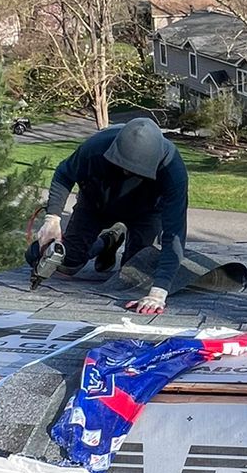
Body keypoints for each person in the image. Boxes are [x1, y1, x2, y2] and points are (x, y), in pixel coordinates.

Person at [33, 117, 190, 320]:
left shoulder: (173, 170)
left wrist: (158, 292)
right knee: (66, 265)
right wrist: (52, 218)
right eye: (122, 166)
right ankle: (108, 240)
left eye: (133, 171)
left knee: (133, 276)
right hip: (95, 204)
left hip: (146, 212)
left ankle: (119, 242)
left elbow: (174, 233)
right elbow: (64, 173)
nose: (126, 172)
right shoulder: (96, 146)